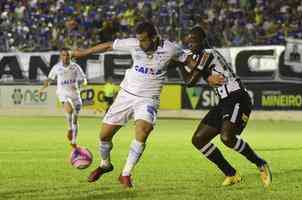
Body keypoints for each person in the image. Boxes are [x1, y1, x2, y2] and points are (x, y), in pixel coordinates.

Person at [71, 21, 202, 188]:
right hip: (126, 95)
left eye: (144, 40)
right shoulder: (134, 44)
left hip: (148, 98)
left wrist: (207, 75)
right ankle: (105, 164)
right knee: (104, 136)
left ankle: (126, 174)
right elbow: (108, 46)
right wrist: (84, 52)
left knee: (143, 130)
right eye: (139, 40)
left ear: (154, 37)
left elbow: (190, 61)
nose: (140, 44)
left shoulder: (170, 49)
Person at [180, 26, 272, 187]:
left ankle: (260, 163)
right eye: (189, 42)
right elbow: (195, 75)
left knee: (227, 138)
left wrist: (179, 63)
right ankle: (231, 173)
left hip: (237, 98)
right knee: (198, 139)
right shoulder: (202, 55)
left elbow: (190, 81)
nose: (191, 45)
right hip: (224, 101)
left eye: (194, 41)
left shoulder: (207, 54)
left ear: (203, 41)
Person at [39, 48, 87, 148]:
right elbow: (49, 79)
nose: (65, 57)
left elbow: (84, 79)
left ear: (70, 56)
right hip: (63, 93)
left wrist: (82, 84)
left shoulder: (75, 67)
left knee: (75, 118)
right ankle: (69, 128)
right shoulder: (56, 67)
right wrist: (42, 89)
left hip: (75, 94)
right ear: (61, 56)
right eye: (63, 55)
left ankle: (74, 141)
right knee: (70, 109)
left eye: (67, 55)